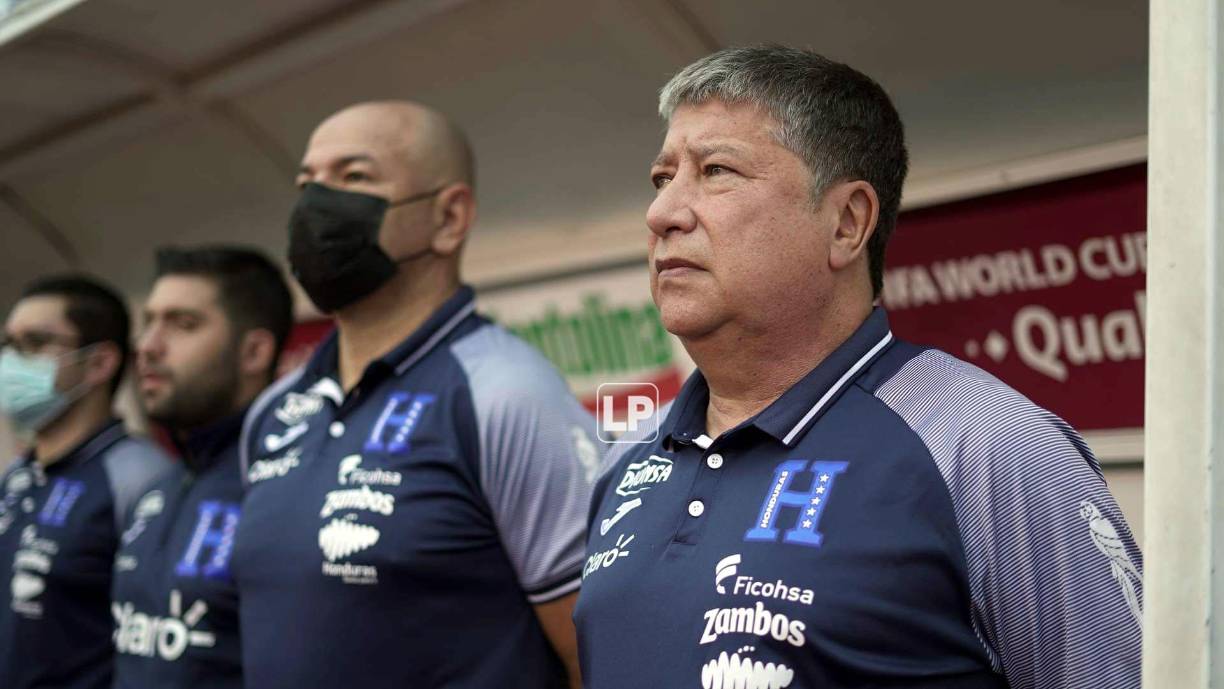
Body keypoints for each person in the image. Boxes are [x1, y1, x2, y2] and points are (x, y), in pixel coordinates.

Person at [575, 45, 1142, 689]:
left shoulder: (994, 448)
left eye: (717, 171)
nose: (662, 214)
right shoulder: (626, 457)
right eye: (662, 178)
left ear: (847, 223)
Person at [233, 101, 601, 689]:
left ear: (449, 217)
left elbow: (597, 654)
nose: (315, 206)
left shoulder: (502, 395)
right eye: (307, 183)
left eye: (353, 178)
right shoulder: (273, 413)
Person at [111, 246, 292, 688]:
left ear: (254, 352)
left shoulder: (287, 487)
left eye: (183, 324)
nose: (148, 346)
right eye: (148, 321)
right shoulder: (161, 485)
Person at [0, 275, 172, 689]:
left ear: (99, 363)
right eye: (7, 345)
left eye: (35, 344)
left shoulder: (141, 476)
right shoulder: (17, 476)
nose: (11, 362)